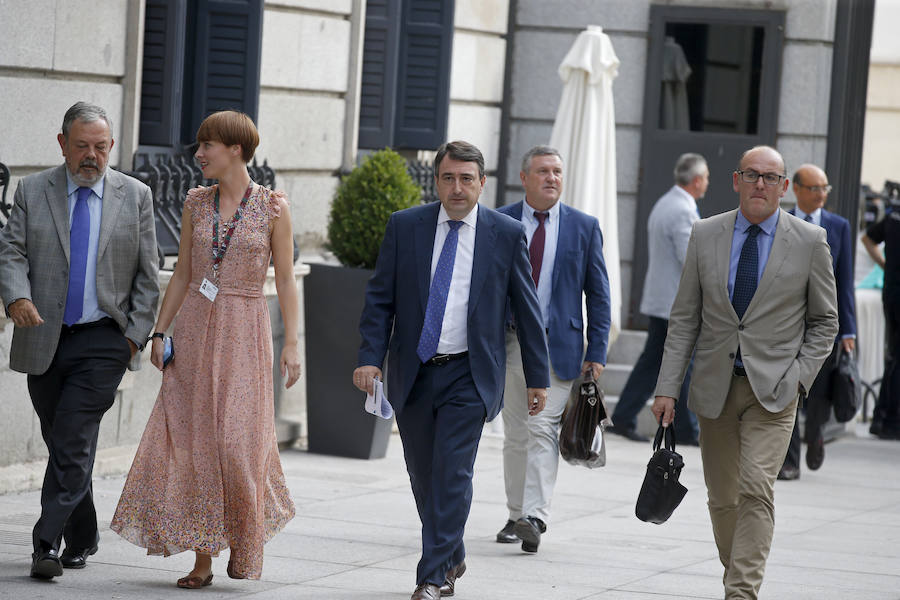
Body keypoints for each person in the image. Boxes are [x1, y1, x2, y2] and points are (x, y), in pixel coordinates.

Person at [353, 141, 550, 600]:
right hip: (414, 370)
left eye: (466, 178)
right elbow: (380, 299)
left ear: (483, 183)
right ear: (436, 181)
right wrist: (369, 357)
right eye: (448, 178)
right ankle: (451, 550)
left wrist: (538, 377)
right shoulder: (406, 227)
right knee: (423, 473)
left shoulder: (505, 232)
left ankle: (433, 575)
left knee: (452, 472)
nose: (457, 188)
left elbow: (527, 306)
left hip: (471, 373)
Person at [110, 110, 299, 588]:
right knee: (197, 444)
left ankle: (244, 540)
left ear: (235, 149)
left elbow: (286, 279)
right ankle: (202, 557)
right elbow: (183, 276)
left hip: (245, 331)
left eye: (206, 146)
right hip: (195, 329)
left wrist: (292, 343)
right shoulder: (196, 202)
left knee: (237, 444)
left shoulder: (274, 208)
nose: (198, 156)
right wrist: (160, 331)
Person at [652, 145, 838, 599]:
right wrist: (666, 388)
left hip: (774, 392)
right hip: (714, 388)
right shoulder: (704, 233)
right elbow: (684, 320)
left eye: (770, 177)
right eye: (751, 175)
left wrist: (799, 376)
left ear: (784, 187)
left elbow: (825, 321)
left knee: (756, 489)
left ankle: (741, 592)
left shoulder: (810, 241)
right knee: (723, 499)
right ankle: (738, 572)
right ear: (736, 180)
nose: (760, 184)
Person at [0, 101, 159, 579]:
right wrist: (16, 299)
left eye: (102, 147)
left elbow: (149, 277)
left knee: (71, 439)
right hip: (43, 335)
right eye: (83, 146)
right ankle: (85, 534)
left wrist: (132, 339)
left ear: (111, 147)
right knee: (65, 443)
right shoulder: (33, 190)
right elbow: (11, 253)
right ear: (62, 144)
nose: (93, 156)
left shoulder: (136, 195)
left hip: (104, 341)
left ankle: (45, 544)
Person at [494, 146, 610, 554]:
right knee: (516, 433)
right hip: (510, 343)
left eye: (558, 171)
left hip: (559, 345)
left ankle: (535, 515)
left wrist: (597, 349)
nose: (552, 178)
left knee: (542, 427)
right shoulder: (501, 220)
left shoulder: (584, 226)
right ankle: (514, 515)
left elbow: (598, 293)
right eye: (543, 171)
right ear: (524, 177)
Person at [608, 153, 708, 445]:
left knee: (652, 362)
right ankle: (688, 429)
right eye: (707, 179)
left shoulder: (667, 202)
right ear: (698, 180)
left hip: (664, 299)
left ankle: (625, 416)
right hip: (674, 303)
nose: (707, 184)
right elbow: (690, 259)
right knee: (682, 362)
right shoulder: (682, 209)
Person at [778, 164, 856, 480]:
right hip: (788, 325)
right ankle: (790, 461)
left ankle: (816, 435)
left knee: (819, 395)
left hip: (826, 327)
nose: (821, 194)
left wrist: (849, 330)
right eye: (815, 188)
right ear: (796, 189)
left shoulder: (839, 227)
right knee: (791, 393)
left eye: (825, 188)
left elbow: (845, 281)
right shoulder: (782, 221)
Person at [862, 204, 900, 440]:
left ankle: (881, 418)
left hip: (892, 292)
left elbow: (868, 239)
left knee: (894, 355)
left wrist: (887, 267)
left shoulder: (894, 214)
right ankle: (890, 420)